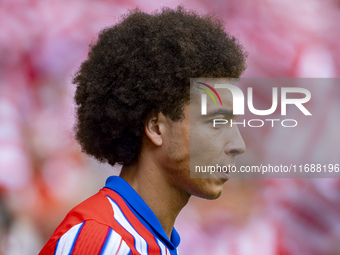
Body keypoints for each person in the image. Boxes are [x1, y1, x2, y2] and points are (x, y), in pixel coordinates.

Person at [39, 6, 246, 255]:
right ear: (156, 127)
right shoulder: (104, 241)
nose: (237, 143)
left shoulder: (148, 242)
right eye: (217, 122)